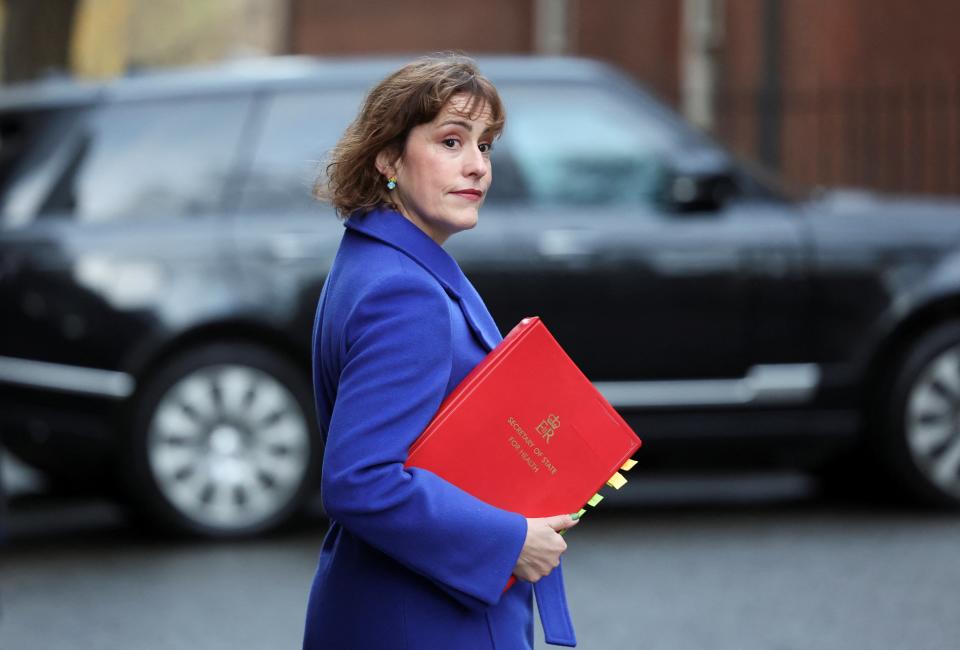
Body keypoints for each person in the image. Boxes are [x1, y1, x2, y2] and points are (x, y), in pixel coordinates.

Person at [303, 55, 579, 649]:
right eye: (451, 141)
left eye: (486, 146)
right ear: (388, 159)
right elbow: (360, 480)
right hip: (422, 620)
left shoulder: (378, 258)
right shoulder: (405, 291)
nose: (477, 166)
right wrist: (510, 541)